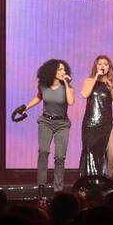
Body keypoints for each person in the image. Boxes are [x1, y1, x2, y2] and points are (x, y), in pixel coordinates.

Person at [17, 59, 75, 190]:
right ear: (52, 70)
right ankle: (41, 185)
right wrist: (27, 107)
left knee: (60, 157)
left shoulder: (68, 88)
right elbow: (38, 97)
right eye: (59, 69)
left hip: (62, 124)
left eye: (64, 69)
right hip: (46, 121)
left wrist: (66, 82)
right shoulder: (43, 85)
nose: (62, 71)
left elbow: (71, 102)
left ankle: (58, 188)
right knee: (43, 151)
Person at [78, 55, 113, 178]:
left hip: (106, 123)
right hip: (91, 124)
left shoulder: (112, 84)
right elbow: (85, 94)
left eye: (105, 64)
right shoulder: (89, 81)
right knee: (90, 154)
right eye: (100, 63)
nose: (102, 66)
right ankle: (90, 182)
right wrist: (95, 77)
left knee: (112, 156)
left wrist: (111, 89)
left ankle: (108, 181)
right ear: (96, 66)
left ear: (109, 67)